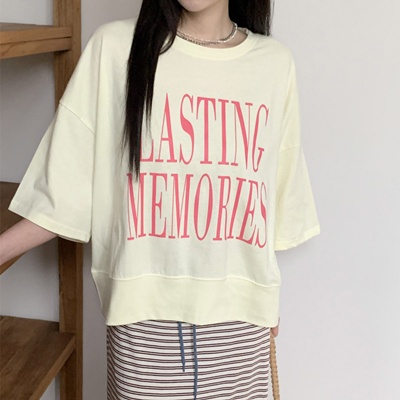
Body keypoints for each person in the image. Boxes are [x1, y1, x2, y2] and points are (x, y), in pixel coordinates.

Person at [0, 0, 321, 398]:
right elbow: (64, 191)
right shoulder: (115, 48)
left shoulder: (274, 64)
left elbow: (272, 202)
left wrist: (264, 300)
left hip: (241, 329)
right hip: (144, 328)